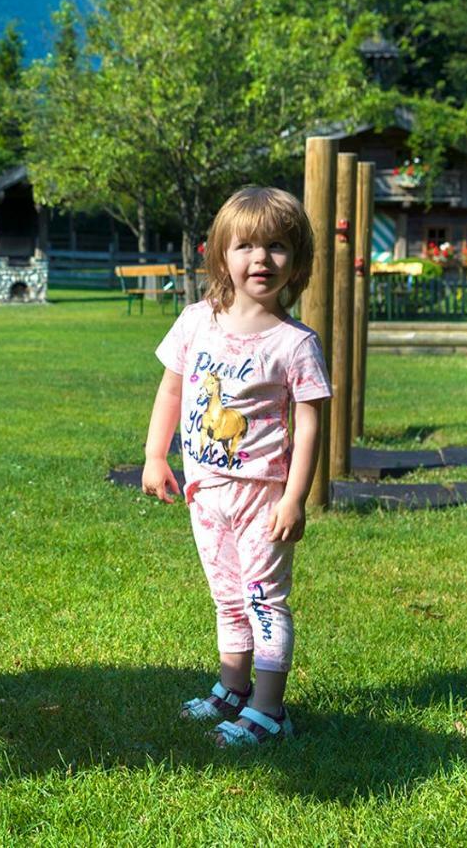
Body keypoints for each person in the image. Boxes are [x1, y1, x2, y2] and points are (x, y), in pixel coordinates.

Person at [141, 186, 331, 746]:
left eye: (276, 246)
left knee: (262, 597)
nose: (261, 259)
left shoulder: (296, 344)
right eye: (245, 245)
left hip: (262, 496)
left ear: (296, 260)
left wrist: (295, 498)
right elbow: (171, 391)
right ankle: (233, 688)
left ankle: (270, 710)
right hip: (205, 490)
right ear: (221, 254)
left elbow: (310, 425)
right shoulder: (197, 320)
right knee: (226, 593)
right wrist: (156, 455)